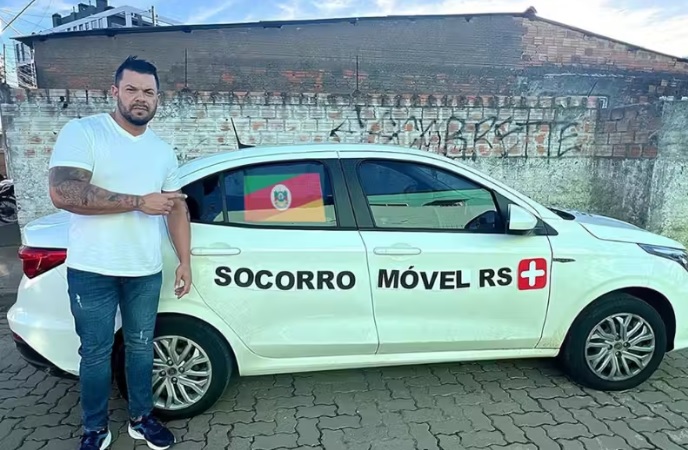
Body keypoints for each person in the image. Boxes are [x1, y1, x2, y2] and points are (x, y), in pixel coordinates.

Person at [48, 55, 191, 450]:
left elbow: (176, 207)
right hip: (91, 269)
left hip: (144, 269)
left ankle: (142, 419)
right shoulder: (85, 132)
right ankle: (94, 428)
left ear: (158, 98)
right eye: (131, 89)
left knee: (142, 347)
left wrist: (185, 260)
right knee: (95, 353)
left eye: (148, 92)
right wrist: (138, 202)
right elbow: (64, 191)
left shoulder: (162, 151)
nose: (140, 98)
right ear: (115, 91)